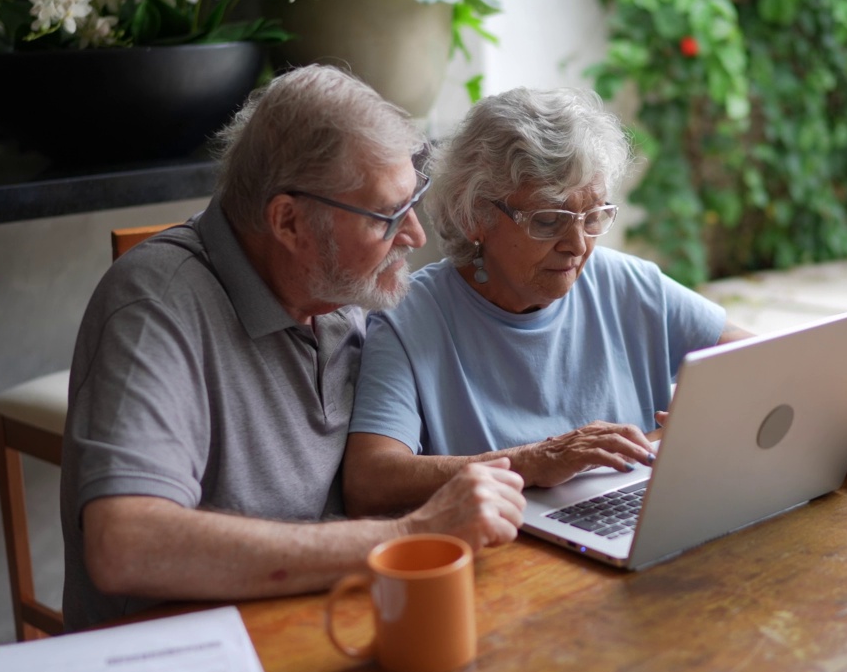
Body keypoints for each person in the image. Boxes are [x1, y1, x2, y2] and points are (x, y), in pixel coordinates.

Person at [59, 65, 525, 633]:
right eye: (387, 217)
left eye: (415, 199)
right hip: (187, 656)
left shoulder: (341, 288)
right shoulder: (154, 304)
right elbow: (124, 544)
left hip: (324, 620)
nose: (415, 236)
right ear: (289, 222)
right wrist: (406, 536)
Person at [343, 87, 753, 517]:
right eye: (548, 220)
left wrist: (710, 418)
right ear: (474, 216)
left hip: (645, 520)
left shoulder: (627, 284)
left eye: (593, 216)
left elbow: (766, 363)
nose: (577, 245)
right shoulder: (410, 320)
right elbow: (369, 481)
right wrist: (532, 462)